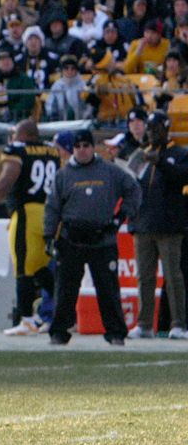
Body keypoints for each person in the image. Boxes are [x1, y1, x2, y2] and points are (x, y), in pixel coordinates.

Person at [45, 129, 142, 346]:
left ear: (93, 147)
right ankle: (59, 332)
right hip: (72, 237)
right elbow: (52, 207)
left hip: (103, 237)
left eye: (86, 146)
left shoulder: (110, 171)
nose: (82, 150)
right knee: (65, 289)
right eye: (77, 147)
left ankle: (116, 333)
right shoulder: (64, 175)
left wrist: (122, 217)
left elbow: (134, 190)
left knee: (108, 289)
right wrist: (49, 235)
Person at [0, 119, 58, 336]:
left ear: (23, 134)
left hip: (26, 212)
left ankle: (26, 319)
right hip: (47, 213)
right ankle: (65, 304)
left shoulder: (17, 150)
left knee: (22, 267)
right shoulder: (52, 151)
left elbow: (8, 178)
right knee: (39, 266)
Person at [128, 111, 188, 339]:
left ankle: (179, 323)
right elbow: (131, 185)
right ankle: (144, 323)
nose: (151, 133)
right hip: (143, 225)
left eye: (155, 128)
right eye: (149, 129)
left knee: (174, 277)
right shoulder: (140, 155)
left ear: (166, 128)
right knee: (144, 276)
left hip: (170, 225)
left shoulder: (180, 153)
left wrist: (161, 162)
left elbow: (182, 177)